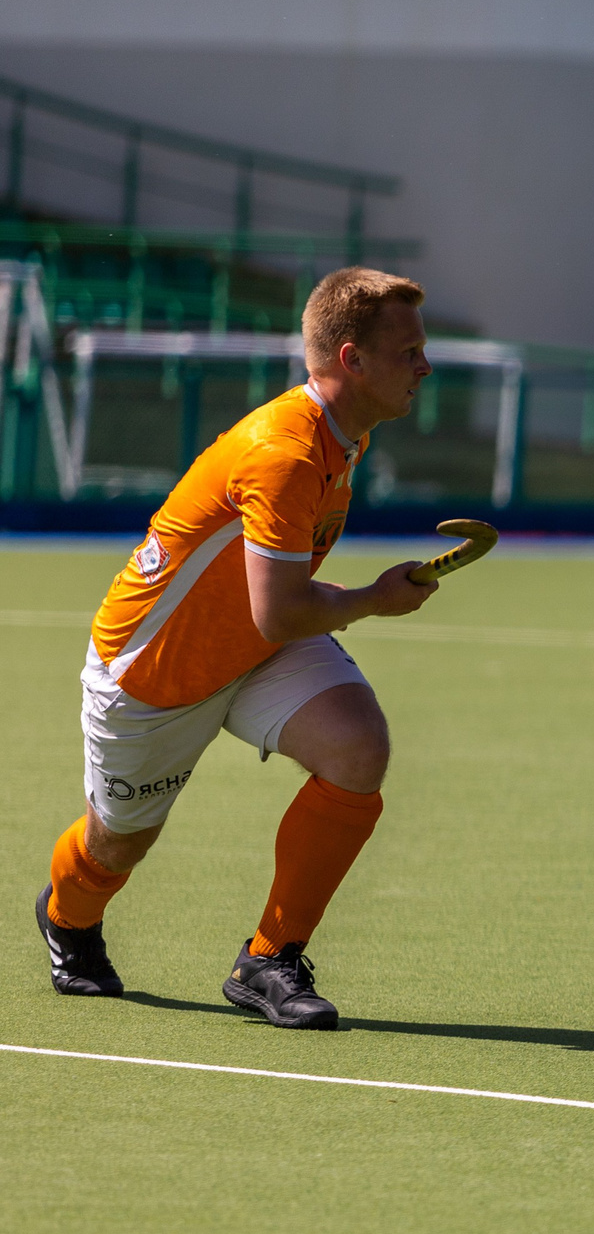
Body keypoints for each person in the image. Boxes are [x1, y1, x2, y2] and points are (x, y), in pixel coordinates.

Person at [34, 268, 443, 1028]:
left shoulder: (341, 438)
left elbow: (271, 613)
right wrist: (376, 601)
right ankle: (67, 914)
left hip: (252, 647)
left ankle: (269, 957)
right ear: (351, 360)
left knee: (358, 748)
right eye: (409, 350)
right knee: (116, 849)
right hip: (154, 671)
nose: (424, 365)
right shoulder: (286, 452)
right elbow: (283, 610)